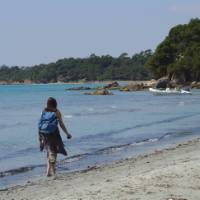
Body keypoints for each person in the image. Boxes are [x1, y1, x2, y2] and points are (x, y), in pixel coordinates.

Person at [38, 97, 72, 177]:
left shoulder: (44, 110)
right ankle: (52, 172)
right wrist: (67, 133)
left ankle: (48, 172)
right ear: (55, 103)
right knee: (53, 152)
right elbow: (61, 124)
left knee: (49, 151)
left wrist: (39, 136)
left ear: (47, 103)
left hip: (43, 133)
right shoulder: (56, 112)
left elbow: (40, 122)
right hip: (53, 133)